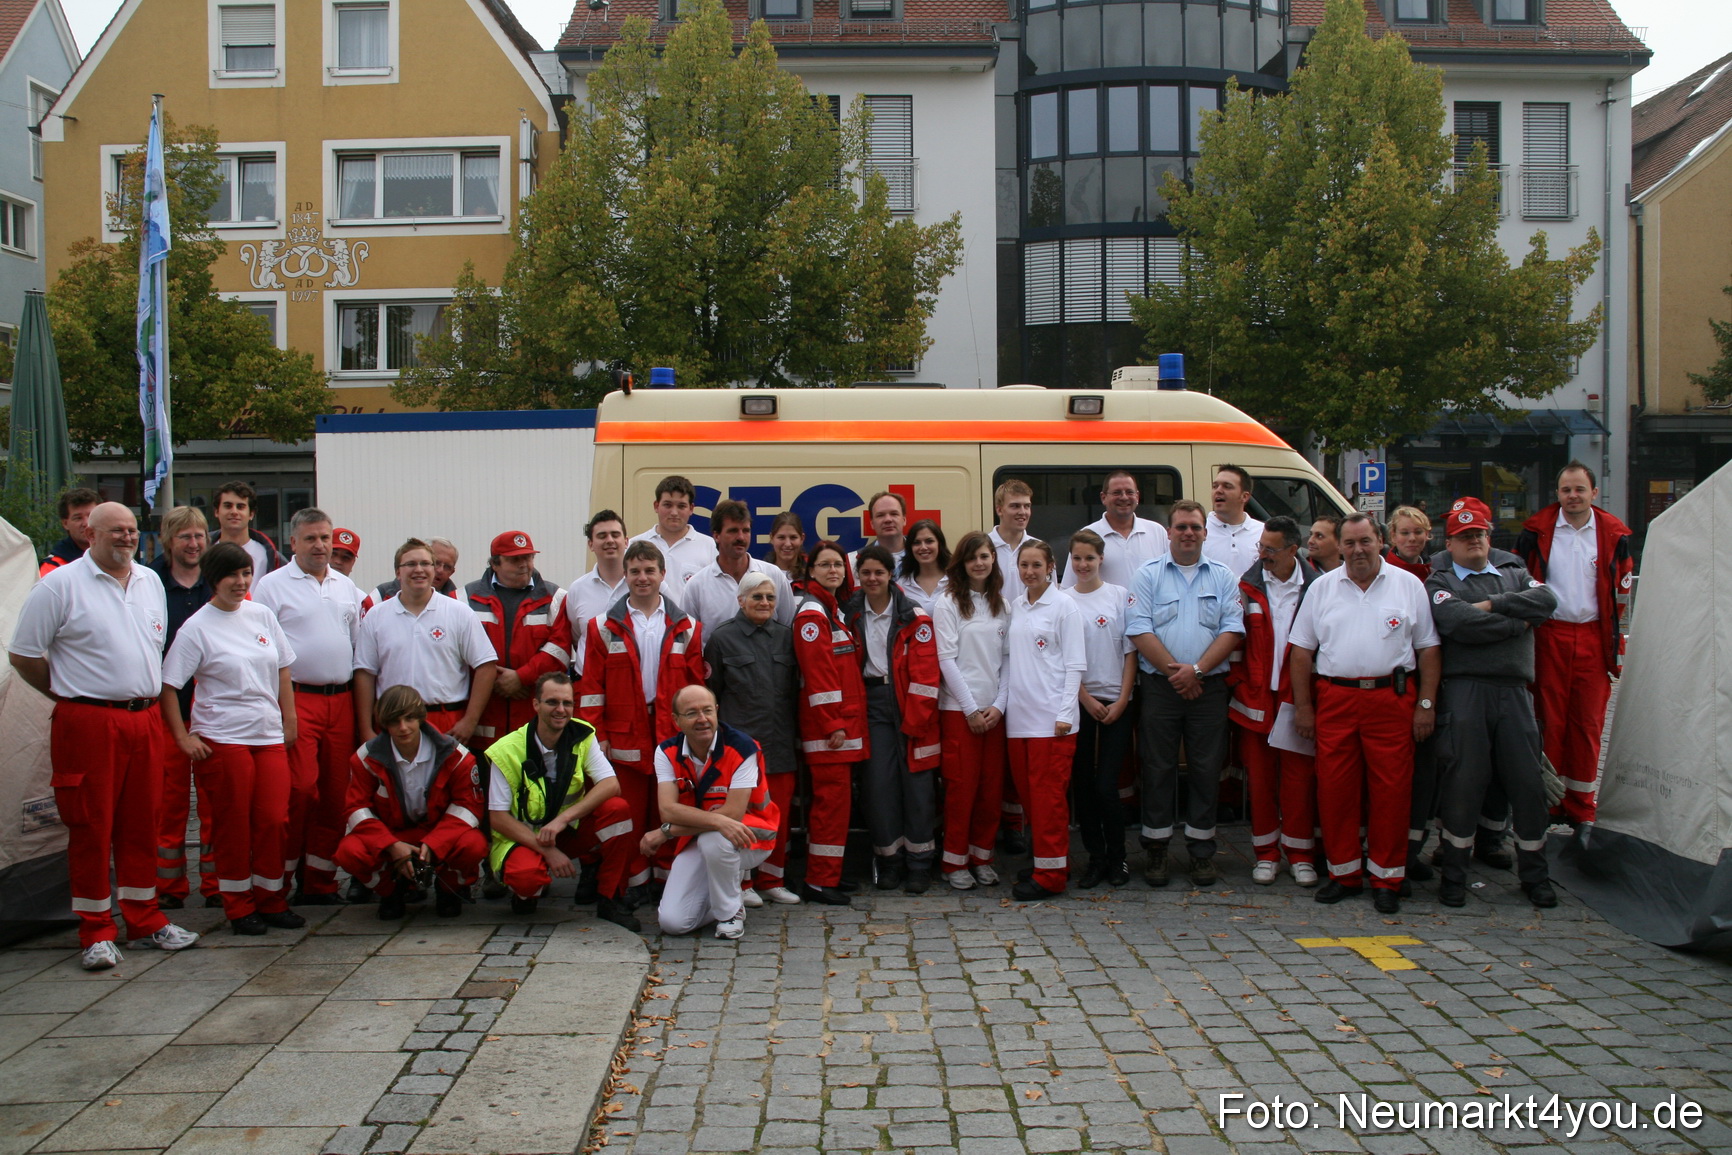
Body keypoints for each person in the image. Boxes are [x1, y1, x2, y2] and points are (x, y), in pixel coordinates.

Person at [9, 502, 201, 969]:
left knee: (142, 822)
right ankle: (95, 929)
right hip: (89, 722)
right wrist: (68, 694)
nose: (126, 537)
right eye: (115, 530)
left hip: (144, 717)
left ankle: (146, 918)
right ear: (89, 534)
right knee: (91, 826)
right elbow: (23, 655)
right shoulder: (58, 586)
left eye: (133, 530)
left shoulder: (149, 581)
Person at [1288, 513, 1440, 915]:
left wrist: (1426, 705)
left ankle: (1387, 877)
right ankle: (1344, 874)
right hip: (1335, 700)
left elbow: (1428, 649)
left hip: (1391, 700)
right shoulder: (1321, 589)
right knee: (1335, 789)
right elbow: (1301, 653)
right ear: (1339, 546)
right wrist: (1304, 708)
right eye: (1350, 543)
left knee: (1392, 791)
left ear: (1381, 541)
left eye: (1365, 541)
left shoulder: (1409, 586)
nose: (1358, 550)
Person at [160, 542, 305, 936]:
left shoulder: (261, 615)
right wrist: (183, 738)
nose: (241, 583)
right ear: (213, 580)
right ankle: (239, 906)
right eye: (232, 576)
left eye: (246, 574)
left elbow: (283, 669)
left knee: (274, 819)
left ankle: (272, 899)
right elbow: (169, 686)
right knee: (234, 825)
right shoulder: (197, 628)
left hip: (267, 734)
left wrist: (288, 718)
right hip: (223, 738)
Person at [1426, 497, 1559, 909]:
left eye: (1480, 534)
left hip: (1515, 693)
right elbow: (1458, 623)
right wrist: (1517, 624)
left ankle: (1535, 875)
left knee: (1527, 783)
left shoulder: (1514, 572)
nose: (1475, 542)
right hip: (1465, 691)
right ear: (1451, 543)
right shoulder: (1439, 581)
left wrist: (1492, 605)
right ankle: (1454, 875)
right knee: (1464, 783)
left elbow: (1547, 602)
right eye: (1465, 537)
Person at [1126, 500, 1246, 889]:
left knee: (1206, 769)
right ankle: (1157, 850)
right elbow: (1140, 630)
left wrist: (1197, 670)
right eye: (1181, 527)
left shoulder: (1224, 577)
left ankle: (1201, 852)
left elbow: (1232, 630)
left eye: (1195, 527)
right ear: (1169, 532)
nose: (1188, 533)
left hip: (1208, 687)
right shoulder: (1147, 575)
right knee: (1157, 768)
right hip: (1161, 688)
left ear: (1205, 532)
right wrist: (1178, 673)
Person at [579, 540, 706, 899]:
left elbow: (696, 687)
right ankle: (633, 885)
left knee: (670, 811)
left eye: (650, 570)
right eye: (634, 571)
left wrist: (696, 734)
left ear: (663, 575)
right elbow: (591, 689)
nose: (642, 577)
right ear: (626, 575)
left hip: (671, 734)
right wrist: (596, 735)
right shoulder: (602, 626)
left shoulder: (688, 627)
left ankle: (668, 884)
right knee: (630, 815)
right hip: (623, 737)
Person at [252, 508, 365, 905]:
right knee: (299, 791)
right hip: (297, 699)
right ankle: (278, 881)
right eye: (312, 539)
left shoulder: (348, 589)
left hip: (342, 700)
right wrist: (283, 711)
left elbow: (358, 648)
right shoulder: (270, 587)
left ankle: (319, 881)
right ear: (293, 542)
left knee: (336, 796)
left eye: (326, 538)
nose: (321, 546)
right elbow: (262, 650)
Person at [1516, 461, 1634, 827]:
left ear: (1594, 493)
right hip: (1550, 634)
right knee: (1548, 720)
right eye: (1566, 490)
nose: (1573, 496)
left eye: (1580, 489)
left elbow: (1623, 598)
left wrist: (1618, 649)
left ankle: (1581, 804)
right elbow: (1522, 583)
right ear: (1558, 493)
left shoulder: (1615, 534)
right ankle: (1550, 801)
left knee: (1587, 723)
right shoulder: (1536, 532)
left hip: (1593, 636)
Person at [486, 672, 639, 929]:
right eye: (552, 702)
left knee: (617, 810)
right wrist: (548, 851)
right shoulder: (506, 750)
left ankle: (610, 898)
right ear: (535, 704)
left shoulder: (581, 735)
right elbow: (498, 818)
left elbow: (611, 785)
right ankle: (526, 893)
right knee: (527, 878)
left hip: (564, 831)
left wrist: (563, 820)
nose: (561, 710)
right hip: (521, 838)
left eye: (567, 703)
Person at [639, 685, 781, 939]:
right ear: (676, 720)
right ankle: (728, 895)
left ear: (717, 712)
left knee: (716, 838)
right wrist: (710, 820)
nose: (702, 719)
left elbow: (735, 814)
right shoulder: (666, 752)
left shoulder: (744, 748)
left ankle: (730, 914)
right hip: (704, 836)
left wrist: (667, 833)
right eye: (692, 713)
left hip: (754, 835)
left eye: (707, 711)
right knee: (673, 923)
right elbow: (667, 810)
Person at [335, 685, 488, 920]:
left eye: (409, 719)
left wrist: (435, 843)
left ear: (421, 717)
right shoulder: (366, 758)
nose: (403, 727)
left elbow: (469, 807)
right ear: (384, 723)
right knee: (349, 851)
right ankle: (390, 891)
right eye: (395, 721)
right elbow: (356, 809)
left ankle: (449, 889)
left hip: (438, 831)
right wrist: (391, 845)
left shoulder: (455, 755)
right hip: (392, 834)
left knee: (473, 845)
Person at [844, 545, 942, 894]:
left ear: (891, 576)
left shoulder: (914, 616)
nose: (872, 579)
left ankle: (919, 865)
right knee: (878, 786)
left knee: (917, 788)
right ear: (859, 576)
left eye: (879, 573)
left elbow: (927, 674)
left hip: (910, 706)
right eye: (866, 573)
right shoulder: (850, 613)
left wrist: (915, 722)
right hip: (871, 705)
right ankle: (889, 862)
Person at [1229, 517, 1320, 888]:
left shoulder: (1317, 588)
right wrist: (1240, 685)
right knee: (1261, 783)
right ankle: (1266, 854)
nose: (1263, 554)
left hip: (1297, 700)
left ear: (1292, 551)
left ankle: (1299, 855)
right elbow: (1235, 642)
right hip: (1255, 702)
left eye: (1270, 549)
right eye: (1261, 547)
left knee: (1298, 781)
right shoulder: (1247, 587)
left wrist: (1308, 702)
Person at [996, 540, 1087, 901]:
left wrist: (1065, 714)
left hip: (1052, 722)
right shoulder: (1015, 607)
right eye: (1024, 565)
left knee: (1049, 801)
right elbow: (1007, 662)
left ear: (1051, 566)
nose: (1030, 572)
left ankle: (1052, 878)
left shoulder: (1064, 607)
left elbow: (1075, 664)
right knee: (1031, 800)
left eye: (1037, 565)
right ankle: (1044, 862)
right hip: (1020, 720)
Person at [706, 571, 802, 905]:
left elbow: (793, 691)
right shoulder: (721, 639)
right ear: (741, 600)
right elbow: (711, 694)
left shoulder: (786, 637)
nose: (764, 603)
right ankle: (742, 884)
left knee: (779, 814)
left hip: (779, 741)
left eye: (770, 598)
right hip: (740, 748)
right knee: (742, 814)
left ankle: (773, 880)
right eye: (757, 597)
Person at [354, 538, 497, 743]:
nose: (419, 570)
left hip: (445, 720)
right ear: (397, 572)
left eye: (425, 564)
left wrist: (470, 721)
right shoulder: (376, 616)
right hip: (393, 721)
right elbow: (365, 673)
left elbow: (486, 665)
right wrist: (366, 729)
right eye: (411, 564)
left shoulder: (459, 612)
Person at [149, 505, 218, 910]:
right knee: (168, 801)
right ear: (168, 540)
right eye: (185, 537)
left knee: (213, 803)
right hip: (168, 708)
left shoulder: (217, 581)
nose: (193, 544)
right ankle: (169, 887)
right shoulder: (149, 583)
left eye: (199, 536)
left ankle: (215, 883)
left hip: (212, 709)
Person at [791, 540, 868, 905]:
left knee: (837, 807)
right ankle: (819, 881)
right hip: (830, 733)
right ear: (811, 571)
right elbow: (819, 677)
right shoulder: (812, 614)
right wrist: (832, 723)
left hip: (842, 728)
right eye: (825, 565)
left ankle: (829, 874)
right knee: (830, 807)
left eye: (838, 564)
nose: (833, 570)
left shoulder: (831, 610)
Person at [935, 532, 1010, 890]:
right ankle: (954, 861)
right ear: (961, 564)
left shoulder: (1002, 605)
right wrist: (970, 709)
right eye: (972, 558)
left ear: (993, 560)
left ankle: (982, 857)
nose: (979, 563)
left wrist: (999, 705)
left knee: (990, 790)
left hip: (995, 713)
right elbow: (946, 661)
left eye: (984, 556)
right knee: (961, 790)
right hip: (958, 712)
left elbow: (1008, 661)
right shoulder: (947, 603)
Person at [1063, 530, 1137, 888]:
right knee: (1084, 784)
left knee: (1108, 785)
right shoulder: (1064, 601)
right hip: (1081, 703)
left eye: (1089, 558)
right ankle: (1094, 858)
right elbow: (1062, 661)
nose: (1083, 565)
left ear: (1101, 559)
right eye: (1077, 558)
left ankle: (1118, 858)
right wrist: (1085, 699)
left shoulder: (1119, 597)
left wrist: (1123, 699)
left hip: (1117, 703)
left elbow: (1129, 652)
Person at [462, 531, 572, 750]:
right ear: (495, 563)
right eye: (515, 559)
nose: (524, 564)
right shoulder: (464, 598)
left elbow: (559, 650)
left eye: (528, 557)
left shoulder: (555, 598)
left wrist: (521, 677)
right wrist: (495, 679)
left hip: (533, 715)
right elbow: (455, 653)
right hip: (482, 721)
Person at [989, 479, 1039, 852]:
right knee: (995, 749)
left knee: (1021, 741)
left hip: (1027, 655)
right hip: (989, 653)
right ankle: (996, 823)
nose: (1021, 512)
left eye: (1026, 506)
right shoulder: (982, 548)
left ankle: (1016, 822)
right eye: (1014, 506)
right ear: (999, 508)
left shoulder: (1037, 550)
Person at [684, 500, 794, 630]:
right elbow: (688, 637)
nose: (741, 537)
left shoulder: (773, 575)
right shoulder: (697, 585)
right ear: (716, 535)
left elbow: (788, 628)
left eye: (746, 531)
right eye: (733, 531)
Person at [1060, 471, 1170, 591]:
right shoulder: (1087, 535)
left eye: (1129, 492)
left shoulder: (1157, 532)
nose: (1124, 497)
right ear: (1103, 498)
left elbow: (1171, 578)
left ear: (1137, 496)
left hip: (1149, 610)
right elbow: (1068, 588)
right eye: (1117, 492)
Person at [568, 510, 629, 677]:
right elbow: (577, 637)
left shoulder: (647, 585)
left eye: (615, 535)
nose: (609, 540)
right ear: (590, 544)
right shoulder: (577, 590)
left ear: (626, 541)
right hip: (588, 682)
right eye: (602, 536)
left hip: (632, 683)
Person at [631, 475, 717, 593]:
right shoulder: (634, 545)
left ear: (691, 509)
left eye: (681, 506)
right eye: (668, 505)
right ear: (656, 506)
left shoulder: (709, 546)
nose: (674, 512)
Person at [363, 536, 458, 613]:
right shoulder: (380, 597)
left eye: (447, 567)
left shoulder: (460, 605)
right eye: (436, 563)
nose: (440, 570)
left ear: (452, 572)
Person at [212, 481, 286, 577]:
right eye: (228, 506)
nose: (234, 511)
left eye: (240, 507)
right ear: (217, 512)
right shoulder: (203, 553)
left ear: (251, 514)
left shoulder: (271, 557)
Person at [1204, 466, 1264, 577]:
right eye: (1215, 486)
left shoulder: (1263, 532)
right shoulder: (1198, 532)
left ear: (1244, 496)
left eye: (1227, 486)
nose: (1218, 491)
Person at [38, 486, 100, 576]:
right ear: (65, 524)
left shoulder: (118, 557)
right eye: (78, 518)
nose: (86, 524)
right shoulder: (53, 566)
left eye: (91, 516)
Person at [849, 491, 909, 576]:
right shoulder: (854, 561)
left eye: (894, 514)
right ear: (872, 524)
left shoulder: (924, 556)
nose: (888, 519)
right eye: (880, 515)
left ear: (904, 520)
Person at [896, 519, 949, 615]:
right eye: (917, 543)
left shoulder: (956, 579)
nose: (923, 547)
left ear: (939, 544)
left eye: (929, 541)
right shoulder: (902, 585)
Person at [1385, 506, 1434, 580]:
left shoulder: (1433, 574)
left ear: (1426, 534)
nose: (1412, 538)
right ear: (1393, 536)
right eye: (1405, 533)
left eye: (1418, 532)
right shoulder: (1381, 574)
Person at [769, 511, 807, 584]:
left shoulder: (813, 575)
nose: (787, 544)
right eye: (781, 537)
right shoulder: (760, 574)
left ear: (802, 539)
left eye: (793, 537)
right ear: (772, 538)